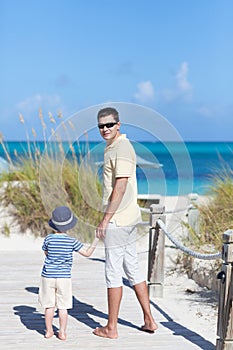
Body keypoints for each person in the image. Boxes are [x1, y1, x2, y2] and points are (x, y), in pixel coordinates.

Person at [93, 107, 157, 339]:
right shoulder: (112, 147)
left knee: (113, 272)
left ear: (119, 124)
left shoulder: (120, 148)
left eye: (109, 125)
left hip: (119, 220)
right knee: (133, 269)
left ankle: (111, 328)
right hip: (129, 218)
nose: (105, 129)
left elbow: (120, 187)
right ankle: (149, 319)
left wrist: (105, 219)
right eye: (101, 126)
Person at [38, 205, 99, 340]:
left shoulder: (49, 239)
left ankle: (48, 331)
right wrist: (96, 239)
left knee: (49, 306)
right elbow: (87, 253)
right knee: (63, 307)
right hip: (64, 278)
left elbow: (45, 252)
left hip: (48, 276)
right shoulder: (71, 242)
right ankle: (62, 332)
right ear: (70, 225)